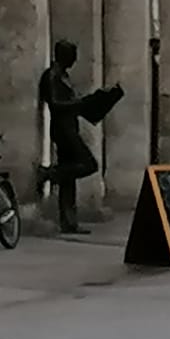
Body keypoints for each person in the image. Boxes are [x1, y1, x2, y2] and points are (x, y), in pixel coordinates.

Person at [37, 41, 122, 234]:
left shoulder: (64, 76)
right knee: (89, 164)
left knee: (70, 179)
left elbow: (70, 102)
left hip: (70, 126)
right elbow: (55, 103)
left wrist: (96, 101)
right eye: (72, 55)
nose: (75, 60)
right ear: (63, 55)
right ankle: (51, 174)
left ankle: (68, 222)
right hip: (62, 129)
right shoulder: (51, 76)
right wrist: (79, 103)